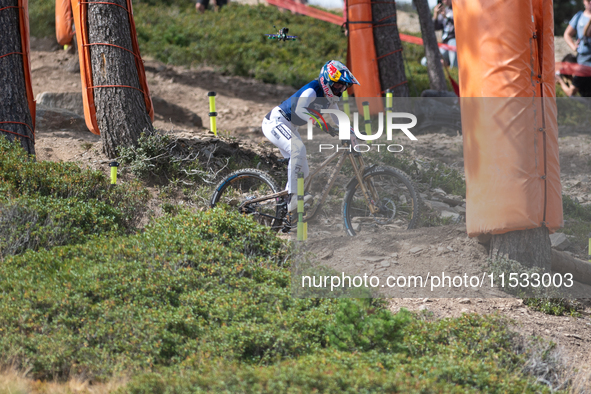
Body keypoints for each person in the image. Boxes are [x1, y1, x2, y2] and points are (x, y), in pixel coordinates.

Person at [261, 60, 360, 214]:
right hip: (275, 122)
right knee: (298, 149)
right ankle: (294, 198)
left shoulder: (329, 98)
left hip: (290, 126)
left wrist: (353, 132)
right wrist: (320, 123)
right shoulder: (313, 90)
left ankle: (285, 206)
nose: (340, 90)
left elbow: (338, 118)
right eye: (337, 85)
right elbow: (300, 110)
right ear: (327, 80)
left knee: (304, 171)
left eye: (343, 86)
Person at [564, 0, 591, 97]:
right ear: (584, 1)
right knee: (575, 90)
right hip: (583, 59)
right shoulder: (579, 16)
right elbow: (567, 34)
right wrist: (574, 46)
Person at [432, 0, 457, 68]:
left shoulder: (458, 9)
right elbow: (434, 28)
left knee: (452, 42)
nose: (445, 1)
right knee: (427, 61)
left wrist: (446, 17)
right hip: (444, 44)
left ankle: (454, 70)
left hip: (454, 41)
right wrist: (435, 15)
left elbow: (460, 25)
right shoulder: (443, 11)